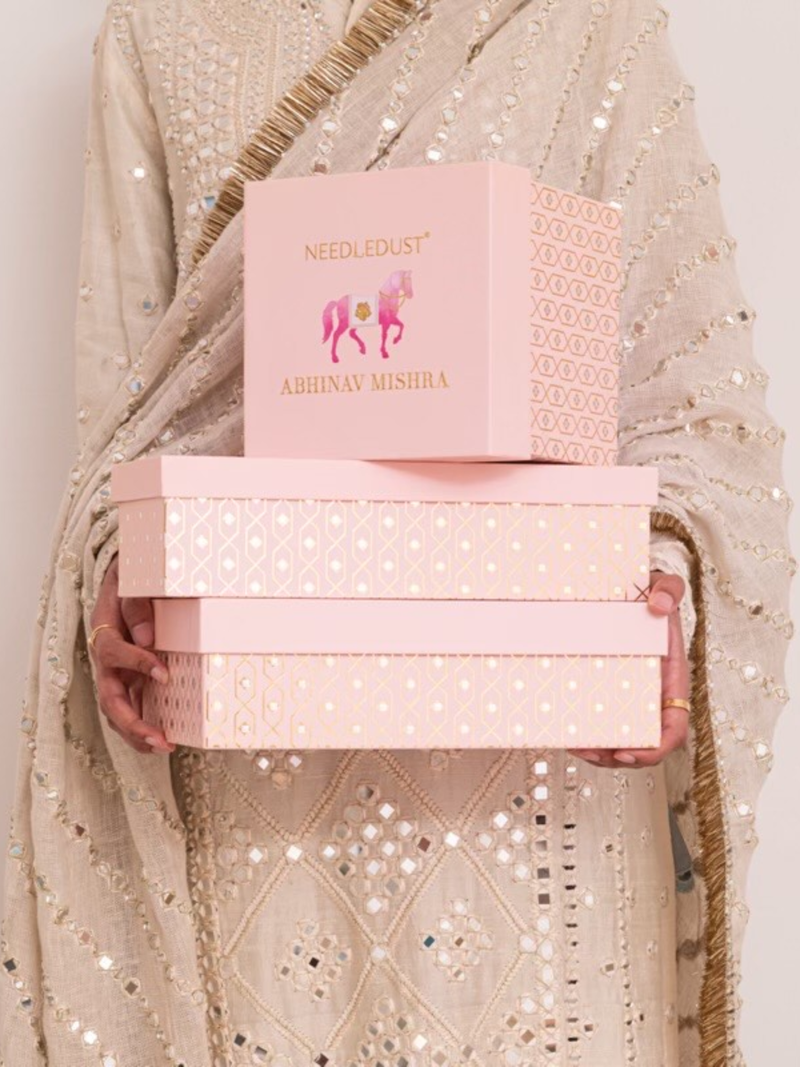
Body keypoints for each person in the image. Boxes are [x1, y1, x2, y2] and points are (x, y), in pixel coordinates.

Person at [0, 1, 791, 1064]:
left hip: (541, 776)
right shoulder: (162, 30)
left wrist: (658, 592)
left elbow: (699, 403)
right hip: (256, 764)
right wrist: (117, 566)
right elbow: (125, 427)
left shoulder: (582, 23)